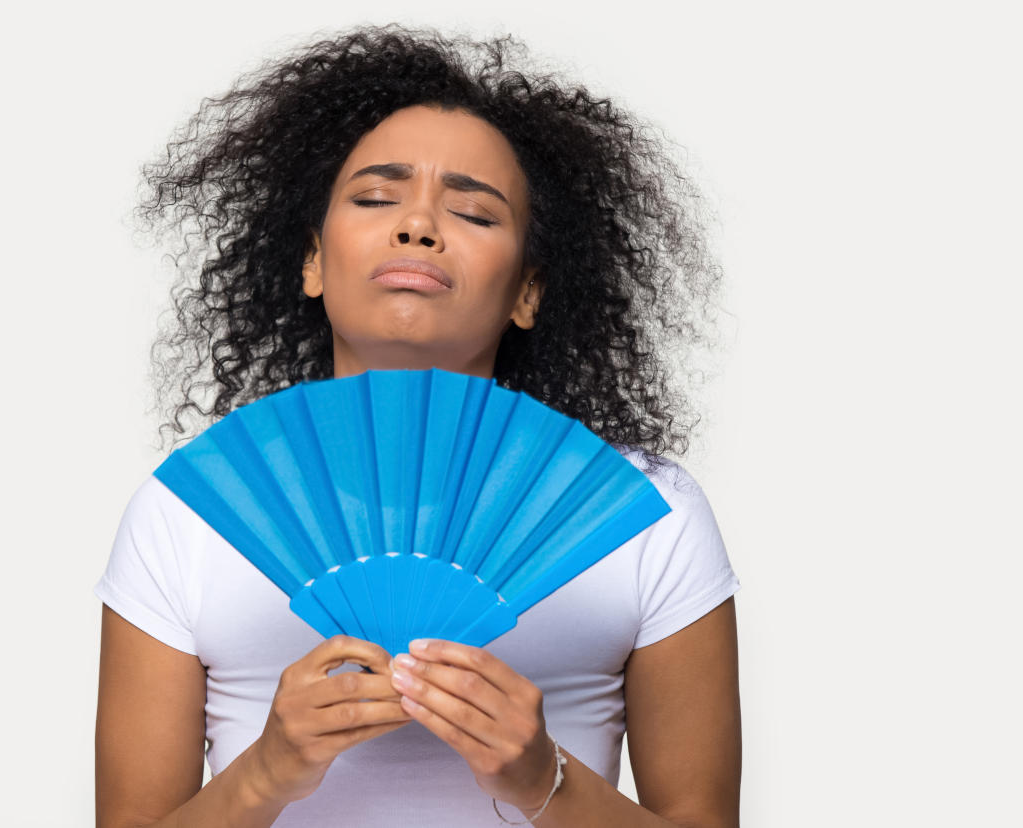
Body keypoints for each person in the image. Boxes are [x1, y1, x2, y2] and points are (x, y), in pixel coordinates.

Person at [94, 25, 741, 828]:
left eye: (472, 211)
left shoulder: (649, 513)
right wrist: (265, 773)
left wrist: (545, 779)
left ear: (528, 292)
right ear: (312, 262)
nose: (417, 226)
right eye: (374, 198)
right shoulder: (184, 513)